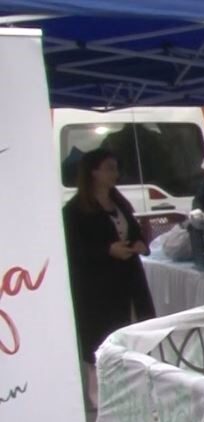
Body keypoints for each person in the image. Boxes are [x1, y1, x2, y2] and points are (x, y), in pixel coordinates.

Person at [62, 148, 156, 408]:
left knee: (132, 336)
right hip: (98, 289)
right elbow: (74, 250)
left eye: (116, 168)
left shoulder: (119, 203)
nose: (115, 174)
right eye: (109, 168)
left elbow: (136, 232)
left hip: (128, 282)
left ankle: (135, 394)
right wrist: (107, 251)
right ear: (94, 172)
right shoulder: (74, 211)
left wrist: (138, 243)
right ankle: (101, 402)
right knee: (101, 345)